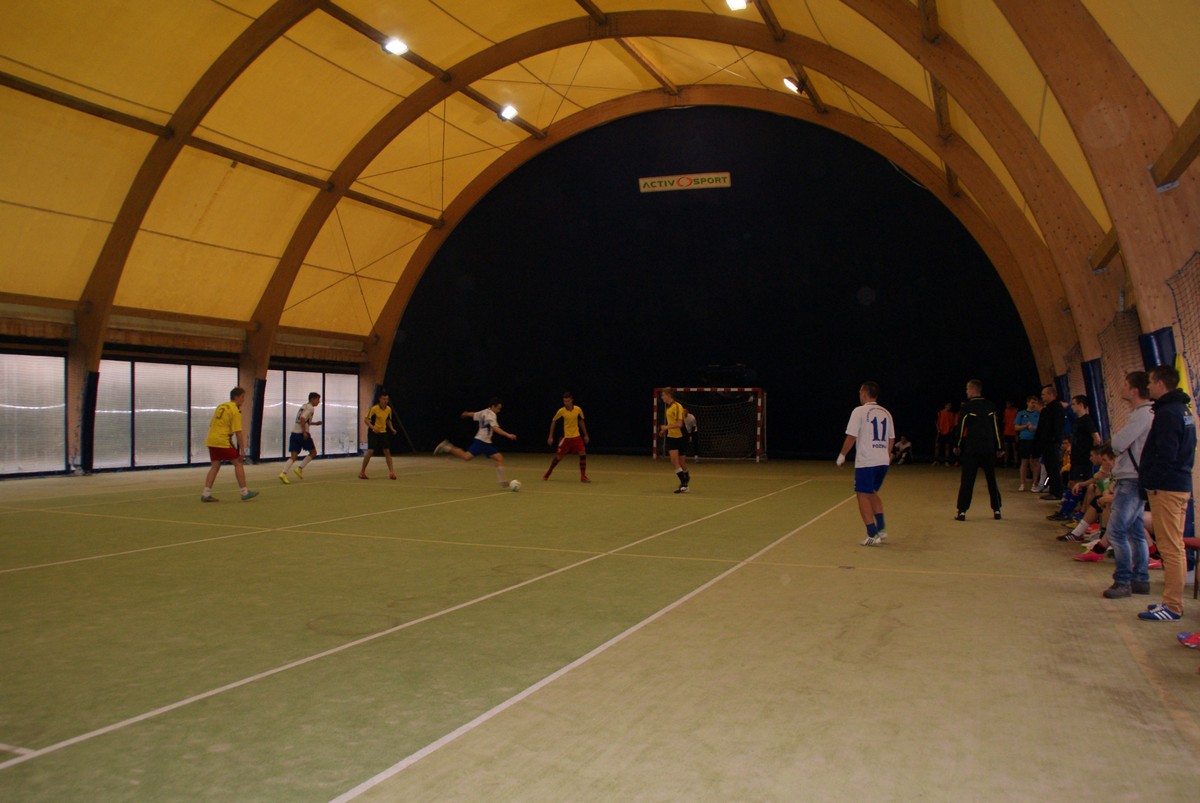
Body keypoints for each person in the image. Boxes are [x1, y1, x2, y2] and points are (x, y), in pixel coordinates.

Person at [1136, 364, 1196, 621]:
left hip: (1168, 488)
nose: (1148, 386)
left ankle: (1172, 606)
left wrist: (1151, 481)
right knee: (1174, 547)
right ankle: (1170, 602)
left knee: (1170, 549)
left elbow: (1166, 454)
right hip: (1178, 484)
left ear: (1161, 384)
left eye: (1150, 382)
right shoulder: (1183, 410)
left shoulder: (1169, 413)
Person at [1099, 372, 1154, 599]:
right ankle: (1140, 578)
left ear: (1134, 390)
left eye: (1125, 385)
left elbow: (1119, 443)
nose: (1121, 388)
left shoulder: (1142, 415)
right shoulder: (1147, 413)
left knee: (1116, 531)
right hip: (1135, 477)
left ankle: (1122, 581)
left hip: (1131, 479)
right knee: (1135, 531)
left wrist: (1116, 441)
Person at [836, 381, 894, 546]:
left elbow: (852, 436)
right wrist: (886, 455)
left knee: (862, 494)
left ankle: (872, 534)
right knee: (872, 493)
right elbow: (891, 438)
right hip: (882, 460)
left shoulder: (859, 411)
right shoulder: (886, 412)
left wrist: (842, 455)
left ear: (864, 393)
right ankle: (881, 529)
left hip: (867, 461)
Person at [435, 397, 517, 487]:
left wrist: (466, 414)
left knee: (499, 458)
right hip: (481, 442)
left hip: (485, 442)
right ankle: (446, 446)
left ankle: (503, 482)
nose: (499, 411)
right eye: (498, 408)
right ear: (493, 406)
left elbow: (474, 414)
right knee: (466, 457)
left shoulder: (484, 412)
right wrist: (508, 435)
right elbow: (495, 428)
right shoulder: (491, 415)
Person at [953, 379, 1003, 521]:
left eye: (967, 389)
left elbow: (960, 428)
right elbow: (996, 428)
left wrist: (956, 445)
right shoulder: (990, 406)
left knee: (967, 480)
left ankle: (962, 511)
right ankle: (997, 510)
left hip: (972, 449)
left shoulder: (967, 407)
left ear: (972, 390)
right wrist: (999, 447)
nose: (966, 392)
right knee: (991, 479)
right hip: (988, 448)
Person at [201, 387, 258, 502]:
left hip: (211, 440)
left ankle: (206, 494)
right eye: (242, 397)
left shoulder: (221, 406)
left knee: (215, 466)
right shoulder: (235, 410)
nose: (244, 400)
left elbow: (212, 424)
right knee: (238, 463)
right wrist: (242, 450)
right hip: (222, 441)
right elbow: (238, 432)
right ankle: (244, 492)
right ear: (236, 397)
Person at [543, 392, 590, 482]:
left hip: (576, 436)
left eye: (568, 401)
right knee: (558, 457)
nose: (566, 403)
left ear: (572, 400)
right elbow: (553, 421)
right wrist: (550, 436)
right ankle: (548, 473)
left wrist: (586, 435)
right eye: (564, 401)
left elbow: (581, 421)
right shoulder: (561, 411)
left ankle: (583, 476)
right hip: (565, 438)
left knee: (583, 453)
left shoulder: (578, 409)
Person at [280, 392, 322, 484]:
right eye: (317, 399)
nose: (319, 402)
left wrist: (315, 423)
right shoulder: (310, 408)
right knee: (313, 452)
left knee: (293, 456)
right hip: (301, 434)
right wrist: (304, 432)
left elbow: (303, 420)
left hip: (294, 433)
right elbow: (302, 418)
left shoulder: (304, 406)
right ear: (312, 399)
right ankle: (299, 468)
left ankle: (283, 473)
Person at [1036, 384, 1066, 500]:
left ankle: (1057, 492)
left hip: (1052, 444)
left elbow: (1058, 427)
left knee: (1054, 468)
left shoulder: (1056, 408)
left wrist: (1055, 441)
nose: (1042, 396)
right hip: (1046, 443)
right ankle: (1053, 490)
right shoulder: (1047, 409)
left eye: (1043, 394)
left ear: (1051, 394)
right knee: (1049, 467)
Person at [658, 387, 691, 493]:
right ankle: (684, 484)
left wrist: (666, 427)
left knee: (682, 463)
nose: (662, 397)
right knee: (674, 461)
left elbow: (679, 424)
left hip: (681, 436)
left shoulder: (677, 406)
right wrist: (664, 430)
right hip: (672, 437)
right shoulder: (669, 407)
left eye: (663, 395)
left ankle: (686, 479)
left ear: (668, 395)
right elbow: (672, 422)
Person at [359, 391, 397, 480]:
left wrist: (392, 429)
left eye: (387, 399)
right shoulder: (374, 409)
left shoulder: (388, 409)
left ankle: (391, 473)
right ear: (379, 399)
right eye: (384, 399)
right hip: (373, 433)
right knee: (370, 451)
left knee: (387, 451)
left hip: (383, 432)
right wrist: (373, 428)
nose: (385, 401)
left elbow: (388, 420)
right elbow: (366, 420)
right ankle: (362, 472)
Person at [1014, 395, 1041, 490]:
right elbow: (1016, 427)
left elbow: (1042, 427)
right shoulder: (1021, 413)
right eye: (1032, 402)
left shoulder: (1039, 414)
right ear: (1028, 403)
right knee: (1024, 461)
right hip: (1024, 439)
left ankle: (1034, 484)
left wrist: (1034, 428)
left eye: (1035, 403)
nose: (1033, 405)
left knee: (1035, 461)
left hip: (1035, 440)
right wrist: (1025, 426)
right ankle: (1022, 483)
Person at [1002, 400, 1018, 467]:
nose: (1007, 405)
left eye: (1008, 403)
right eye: (1006, 403)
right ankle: (1005, 462)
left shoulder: (1016, 410)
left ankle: (1016, 462)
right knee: (1006, 448)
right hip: (1007, 432)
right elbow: (1004, 421)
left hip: (1014, 432)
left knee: (1015, 448)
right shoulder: (1005, 411)